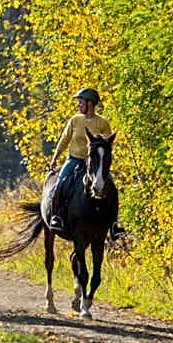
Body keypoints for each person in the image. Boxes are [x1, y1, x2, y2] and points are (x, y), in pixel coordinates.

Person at [48, 88, 124, 240]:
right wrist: (55, 157)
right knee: (60, 184)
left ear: (90, 104)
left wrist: (103, 161)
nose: (78, 105)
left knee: (112, 188)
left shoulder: (102, 123)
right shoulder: (75, 120)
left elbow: (108, 145)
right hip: (75, 159)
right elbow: (65, 139)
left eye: (81, 102)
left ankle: (114, 225)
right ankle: (56, 217)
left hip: (95, 163)